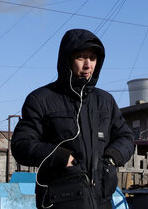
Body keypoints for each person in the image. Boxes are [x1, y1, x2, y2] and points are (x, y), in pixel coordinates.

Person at [11, 29, 134, 209]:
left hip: (101, 201)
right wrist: (60, 157)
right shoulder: (41, 99)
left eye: (92, 58)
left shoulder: (105, 101)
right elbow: (21, 144)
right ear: (67, 59)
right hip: (61, 200)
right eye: (81, 57)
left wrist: (112, 158)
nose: (87, 65)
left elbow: (126, 137)